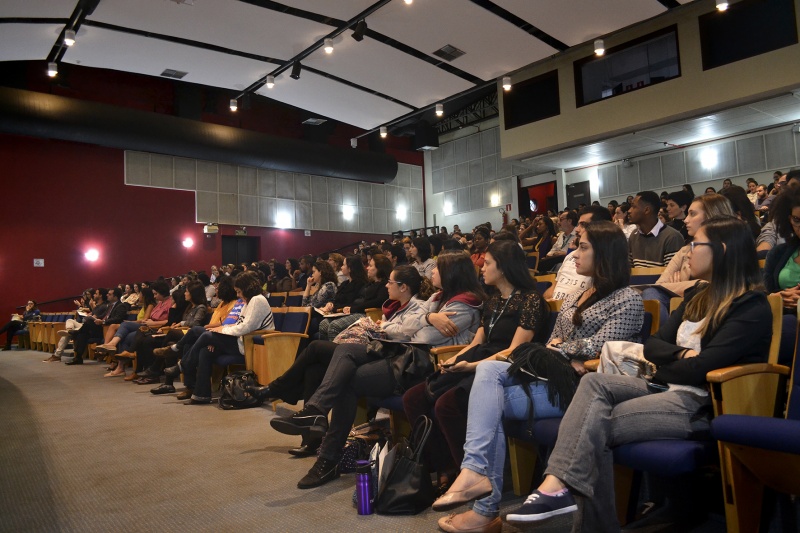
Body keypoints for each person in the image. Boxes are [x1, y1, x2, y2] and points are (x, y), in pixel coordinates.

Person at [504, 216, 771, 530]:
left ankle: (571, 502)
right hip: (665, 388)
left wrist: (677, 362)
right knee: (593, 384)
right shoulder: (697, 297)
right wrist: (681, 356)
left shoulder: (750, 306)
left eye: (696, 245)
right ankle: (559, 490)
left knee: (592, 424)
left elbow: (701, 369)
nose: (687, 252)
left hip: (700, 404)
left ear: (722, 250)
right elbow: (654, 346)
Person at [434, 223, 645, 533]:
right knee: (489, 372)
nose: (574, 253)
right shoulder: (575, 295)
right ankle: (474, 473)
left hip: (584, 388)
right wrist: (562, 351)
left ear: (605, 254)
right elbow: (551, 347)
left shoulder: (627, 299)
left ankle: (483, 509)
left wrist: (567, 349)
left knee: (485, 402)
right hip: (550, 378)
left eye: (583, 247)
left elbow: (603, 346)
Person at [251, 256, 483, 457]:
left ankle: (293, 404)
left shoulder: (459, 304)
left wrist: (413, 323)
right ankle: (311, 428)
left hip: (415, 360)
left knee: (325, 355)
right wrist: (426, 320)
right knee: (316, 361)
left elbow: (423, 336)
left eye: (438, 268)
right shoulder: (434, 300)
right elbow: (413, 326)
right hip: (390, 350)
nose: (432, 271)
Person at [403, 240, 549, 493]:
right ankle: (444, 464)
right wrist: (458, 358)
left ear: (503, 268)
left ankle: (473, 476)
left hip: (507, 367)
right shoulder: (493, 301)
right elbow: (478, 340)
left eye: (488, 263)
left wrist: (474, 366)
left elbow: (516, 349)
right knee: (413, 397)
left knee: (446, 404)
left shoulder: (530, 300)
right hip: (480, 359)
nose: (481, 267)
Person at [263, 266, 434, 468]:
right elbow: (393, 330)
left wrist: (383, 327)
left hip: (393, 360)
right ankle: (312, 436)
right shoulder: (395, 307)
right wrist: (383, 327)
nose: (387, 285)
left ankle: (282, 395)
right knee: (314, 368)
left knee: (322, 348)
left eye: (390, 282)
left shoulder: (419, 307)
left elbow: (403, 332)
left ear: (403, 287)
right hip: (378, 351)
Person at [165, 271, 274, 404]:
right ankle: (201, 395)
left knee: (205, 335)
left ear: (246, 288)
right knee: (204, 347)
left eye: (239, 291)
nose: (238, 295)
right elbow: (238, 324)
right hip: (241, 340)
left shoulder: (258, 300)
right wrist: (217, 336)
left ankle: (183, 363)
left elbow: (245, 328)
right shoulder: (249, 301)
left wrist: (219, 333)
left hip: (250, 344)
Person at [642, 193, 735, 319]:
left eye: (693, 214)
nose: (686, 219)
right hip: (683, 316)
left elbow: (727, 288)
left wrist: (682, 286)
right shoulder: (685, 251)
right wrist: (696, 285)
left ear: (712, 216)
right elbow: (659, 286)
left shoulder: (733, 249)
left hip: (721, 313)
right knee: (651, 294)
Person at [150, 275, 242, 395]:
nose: (216, 290)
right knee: (185, 343)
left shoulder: (234, 304)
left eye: (219, 288)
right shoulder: (220, 304)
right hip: (211, 334)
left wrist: (211, 334)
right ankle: (188, 386)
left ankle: (173, 361)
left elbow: (224, 325)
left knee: (189, 333)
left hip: (219, 336)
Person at [543, 206, 612, 301]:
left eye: (583, 225)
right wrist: (547, 303)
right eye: (578, 224)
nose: (577, 229)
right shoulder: (571, 255)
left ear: (600, 228)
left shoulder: (605, 258)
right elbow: (556, 285)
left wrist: (563, 307)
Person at [317, 255, 392, 341]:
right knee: (323, 324)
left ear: (379, 269)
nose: (367, 268)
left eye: (371, 266)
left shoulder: (384, 285)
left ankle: (333, 351)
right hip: (357, 311)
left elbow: (378, 301)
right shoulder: (370, 284)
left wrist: (352, 308)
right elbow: (357, 300)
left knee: (334, 326)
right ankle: (324, 351)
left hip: (367, 314)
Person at [763, 188, 800, 363]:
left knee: (786, 329)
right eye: (797, 220)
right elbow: (766, 293)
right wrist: (777, 298)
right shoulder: (778, 253)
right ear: (789, 219)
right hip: (782, 314)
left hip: (789, 324)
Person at [67, 288, 130, 365]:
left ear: (116, 297)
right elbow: (104, 315)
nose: (107, 295)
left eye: (110, 294)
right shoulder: (110, 305)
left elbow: (118, 318)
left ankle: (77, 332)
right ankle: (78, 358)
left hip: (108, 329)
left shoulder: (121, 306)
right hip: (102, 327)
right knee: (82, 335)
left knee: (88, 323)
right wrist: (97, 318)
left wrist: (103, 321)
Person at [627, 191, 684, 268]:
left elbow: (671, 275)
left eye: (633, 207)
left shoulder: (672, 237)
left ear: (647, 210)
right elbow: (630, 271)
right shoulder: (634, 236)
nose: (629, 211)